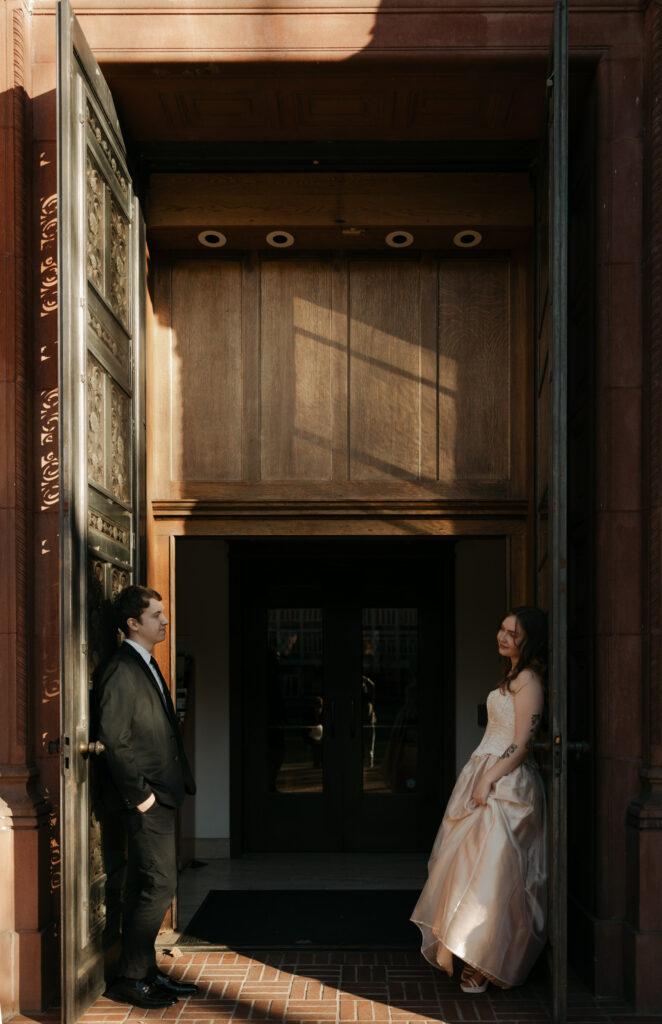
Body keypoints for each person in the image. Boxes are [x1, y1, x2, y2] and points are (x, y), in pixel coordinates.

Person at [410, 606, 548, 993]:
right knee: (465, 864)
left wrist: (487, 778)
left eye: (512, 633)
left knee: (497, 872)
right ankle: (470, 951)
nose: (502, 637)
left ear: (529, 639)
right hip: (484, 773)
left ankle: (488, 962)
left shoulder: (531, 681)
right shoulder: (513, 676)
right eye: (501, 629)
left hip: (507, 784)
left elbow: (522, 743)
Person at [95, 585, 198, 1008]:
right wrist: (142, 798)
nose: (165, 620)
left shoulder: (147, 663)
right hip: (145, 801)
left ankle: (147, 972)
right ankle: (130, 978)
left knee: (145, 885)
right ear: (133, 623)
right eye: (157, 615)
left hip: (163, 795)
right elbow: (114, 740)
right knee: (159, 886)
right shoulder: (120, 669)